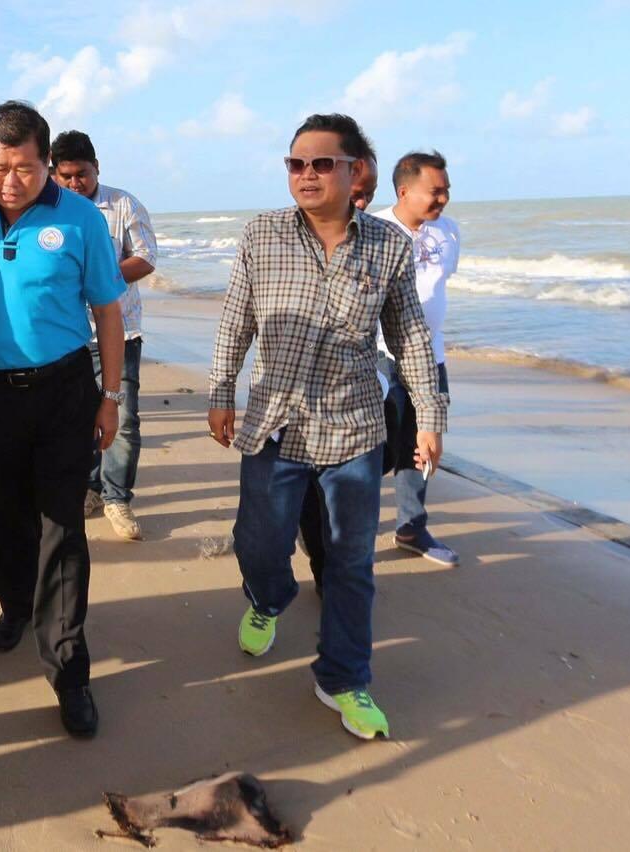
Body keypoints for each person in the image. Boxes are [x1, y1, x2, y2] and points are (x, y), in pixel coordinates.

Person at [209, 114, 447, 740]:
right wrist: (221, 391)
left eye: (321, 163)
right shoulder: (262, 234)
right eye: (297, 164)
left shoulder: (388, 246)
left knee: (350, 561)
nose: (306, 174)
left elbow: (410, 336)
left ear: (354, 170)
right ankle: (267, 599)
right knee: (259, 544)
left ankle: (343, 677)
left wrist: (429, 416)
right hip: (275, 421)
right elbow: (237, 318)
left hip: (354, 427)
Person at [0, 101, 126, 739]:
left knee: (62, 525)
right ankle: (14, 604)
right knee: (0, 511)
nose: (10, 181)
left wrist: (111, 397)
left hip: (64, 390)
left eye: (24, 168)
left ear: (47, 162)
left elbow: (107, 311)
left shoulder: (80, 218)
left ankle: (68, 666)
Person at [50, 130, 158, 541]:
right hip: (68, 337)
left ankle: (118, 498)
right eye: (66, 176)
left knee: (123, 419)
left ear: (97, 168)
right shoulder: (49, 208)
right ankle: (89, 489)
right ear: (53, 173)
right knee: (78, 420)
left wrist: (100, 279)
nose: (75, 183)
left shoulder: (124, 204)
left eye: (82, 174)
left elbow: (146, 257)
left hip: (120, 332)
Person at [296, 153, 381, 593]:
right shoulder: (288, 243)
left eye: (368, 195)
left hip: (364, 399)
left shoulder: (382, 244)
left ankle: (343, 574)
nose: (359, 203)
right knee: (310, 496)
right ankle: (321, 565)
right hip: (296, 407)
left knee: (352, 502)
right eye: (356, 195)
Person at [374, 151, 460, 566]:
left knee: (421, 445)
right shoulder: (373, 230)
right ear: (404, 190)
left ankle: (411, 527)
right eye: (435, 191)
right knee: (379, 447)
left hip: (432, 355)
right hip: (381, 355)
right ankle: (323, 516)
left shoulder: (449, 231)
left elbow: (438, 286)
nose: (443, 198)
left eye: (446, 190)